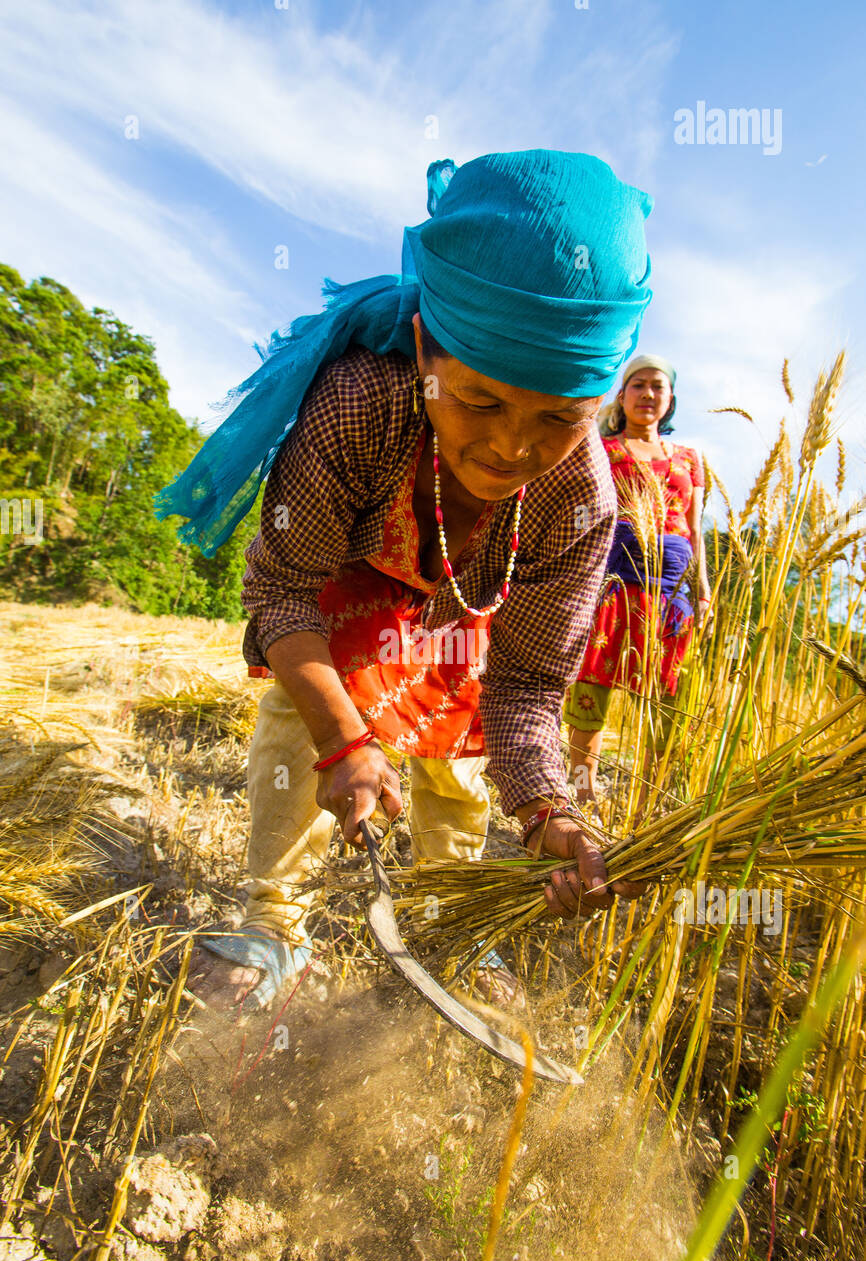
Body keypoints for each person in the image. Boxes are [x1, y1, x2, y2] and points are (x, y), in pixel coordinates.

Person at [154, 149, 652, 1016]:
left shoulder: (580, 499)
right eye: (481, 401)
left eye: (559, 420)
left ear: (598, 400)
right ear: (426, 350)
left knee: (458, 767)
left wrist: (546, 812)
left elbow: (528, 685)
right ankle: (274, 922)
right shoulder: (359, 405)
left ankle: (445, 923)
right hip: (343, 601)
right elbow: (281, 594)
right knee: (301, 729)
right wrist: (346, 740)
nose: (511, 449)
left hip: (468, 622)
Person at [564, 355, 712, 807]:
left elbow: (694, 526)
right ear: (622, 395)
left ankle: (648, 809)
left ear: (670, 400)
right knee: (591, 705)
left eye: (658, 387)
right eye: (639, 385)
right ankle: (581, 801)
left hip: (670, 600)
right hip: (612, 592)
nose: (649, 394)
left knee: (665, 707)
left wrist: (703, 588)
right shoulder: (600, 450)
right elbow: (582, 515)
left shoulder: (690, 458)